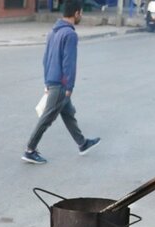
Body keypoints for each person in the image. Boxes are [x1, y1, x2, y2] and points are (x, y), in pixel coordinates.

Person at [21, 0, 100, 165]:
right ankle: (30, 150)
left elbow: (45, 59)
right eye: (81, 13)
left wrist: (46, 82)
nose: (81, 16)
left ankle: (82, 143)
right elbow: (68, 63)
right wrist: (69, 86)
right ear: (77, 13)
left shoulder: (53, 32)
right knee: (47, 117)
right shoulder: (70, 34)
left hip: (52, 80)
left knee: (68, 113)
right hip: (60, 83)